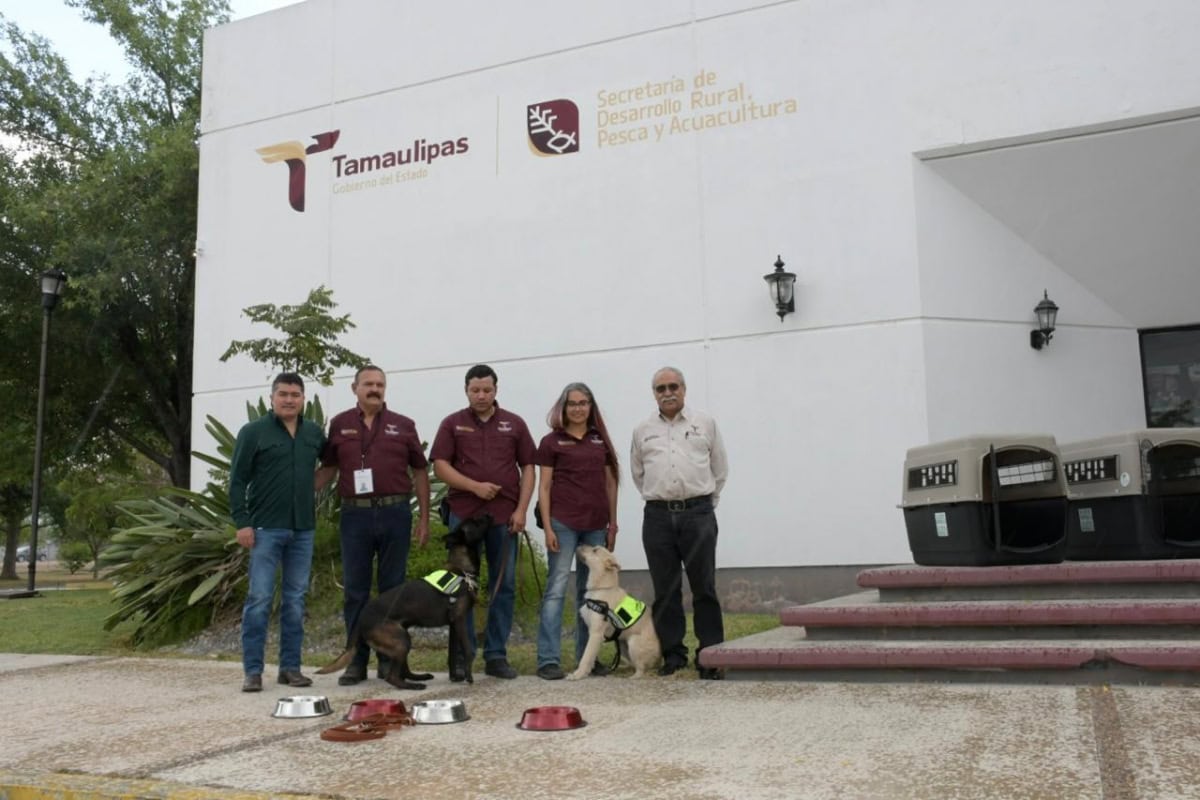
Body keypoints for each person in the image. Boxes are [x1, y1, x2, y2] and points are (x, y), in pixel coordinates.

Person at [321, 365, 431, 686]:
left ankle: (389, 661)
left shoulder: (404, 425)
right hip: (355, 516)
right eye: (368, 383)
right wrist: (294, 493)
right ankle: (356, 662)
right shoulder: (340, 424)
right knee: (355, 591)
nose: (375, 389)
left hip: (395, 513)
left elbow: (420, 472)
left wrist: (424, 519)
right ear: (354, 388)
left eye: (380, 384)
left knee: (393, 592)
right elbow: (328, 469)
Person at [431, 364, 536, 680]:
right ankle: (462, 657)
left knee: (503, 586)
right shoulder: (452, 423)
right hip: (464, 516)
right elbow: (440, 466)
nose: (481, 395)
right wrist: (474, 486)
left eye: (487, 390)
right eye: (475, 390)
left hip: (504, 517)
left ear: (496, 390)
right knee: (460, 587)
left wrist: (522, 510)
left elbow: (529, 467)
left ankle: (496, 655)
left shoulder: (514, 424)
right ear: (466, 390)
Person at [229, 372, 328, 692]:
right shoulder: (253, 432)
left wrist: (313, 484)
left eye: (295, 395)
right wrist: (242, 522)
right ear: (272, 397)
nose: (289, 399)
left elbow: (331, 462)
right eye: (283, 394)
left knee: (295, 601)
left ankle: (290, 668)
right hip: (265, 530)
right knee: (259, 599)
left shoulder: (313, 433)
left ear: (303, 399)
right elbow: (237, 481)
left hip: (303, 530)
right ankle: (253, 672)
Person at [630, 366, 729, 680]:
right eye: (661, 388)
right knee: (665, 590)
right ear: (654, 394)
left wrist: (704, 504)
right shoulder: (642, 430)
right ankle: (673, 655)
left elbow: (720, 469)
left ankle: (710, 655)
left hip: (698, 514)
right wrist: (662, 500)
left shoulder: (705, 423)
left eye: (673, 386)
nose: (668, 393)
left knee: (704, 587)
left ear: (684, 389)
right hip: (657, 517)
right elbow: (638, 474)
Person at [533, 382, 620, 680]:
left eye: (584, 403)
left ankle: (588, 659)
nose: (578, 408)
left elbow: (611, 484)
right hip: (563, 524)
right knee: (556, 590)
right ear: (564, 407)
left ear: (590, 407)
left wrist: (612, 524)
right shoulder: (551, 442)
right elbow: (544, 487)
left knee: (591, 595)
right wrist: (548, 527)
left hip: (595, 526)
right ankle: (548, 660)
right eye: (573, 403)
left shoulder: (600, 441)